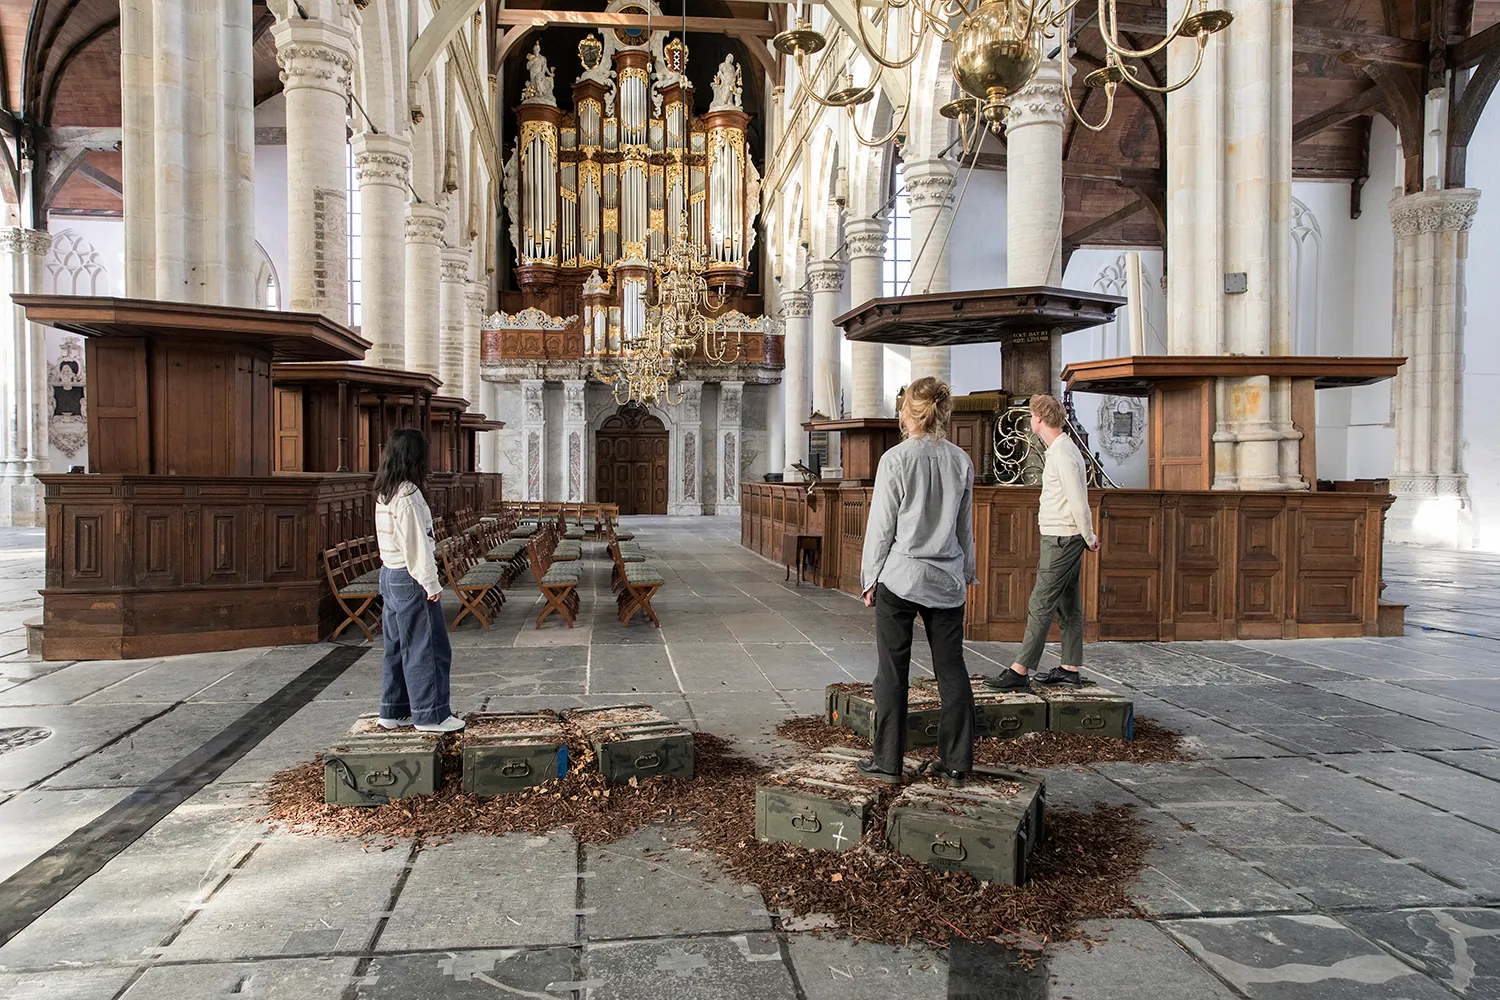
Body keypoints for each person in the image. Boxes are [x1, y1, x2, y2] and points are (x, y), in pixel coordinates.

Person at [857, 377, 977, 786]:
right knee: (952, 670)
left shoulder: (896, 459)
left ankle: (887, 762)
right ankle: (957, 761)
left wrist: (870, 577)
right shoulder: (961, 460)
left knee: (892, 672)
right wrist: (968, 573)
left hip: (902, 578)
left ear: (908, 411)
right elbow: (965, 530)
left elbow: (881, 527)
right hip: (946, 580)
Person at [985, 393, 1098, 693]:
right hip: (1062, 536)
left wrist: (1089, 537)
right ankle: (1070, 668)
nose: (1030, 419)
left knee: (1040, 603)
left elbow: (1078, 501)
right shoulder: (1060, 450)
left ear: (1039, 419)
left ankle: (1019, 670)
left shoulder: (1063, 454)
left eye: (1032, 415)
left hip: (1063, 538)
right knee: (1068, 604)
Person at [373, 428, 464, 733]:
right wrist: (431, 583)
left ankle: (393, 711)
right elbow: (417, 545)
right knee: (428, 647)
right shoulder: (409, 494)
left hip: (390, 574)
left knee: (398, 647)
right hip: (410, 578)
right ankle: (431, 715)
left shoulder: (386, 490)